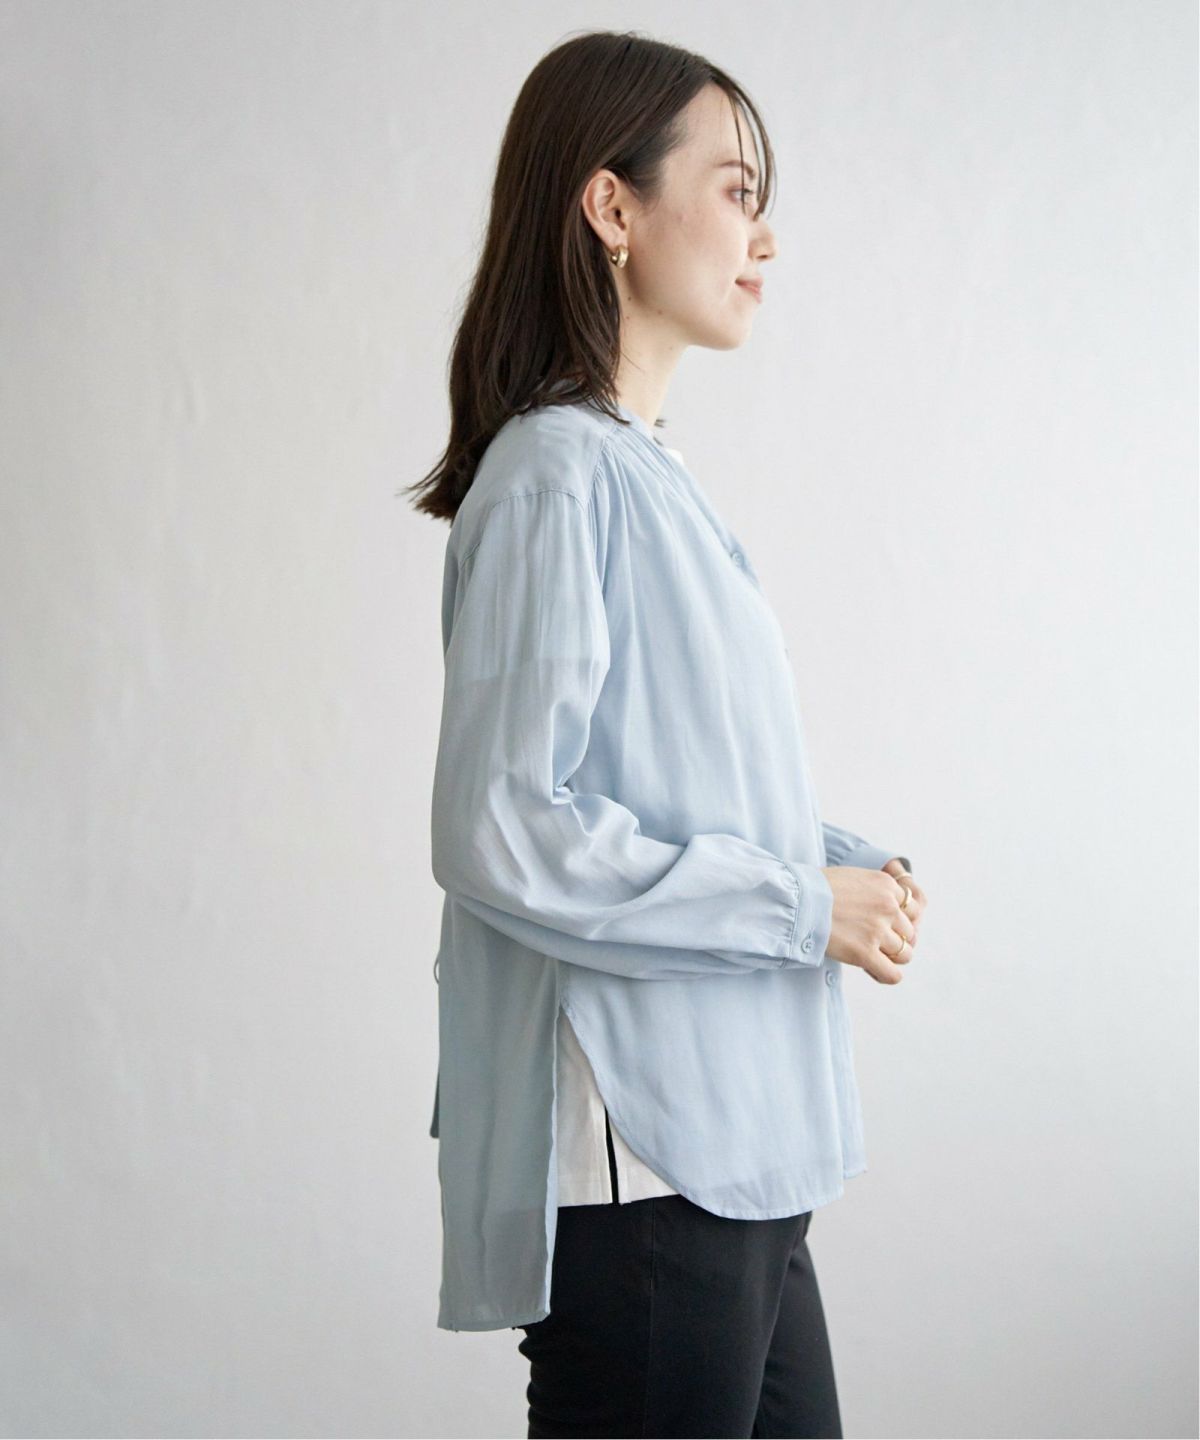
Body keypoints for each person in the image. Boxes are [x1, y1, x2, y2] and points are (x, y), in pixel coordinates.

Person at [404, 28, 928, 1440]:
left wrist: (837, 868)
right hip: (644, 1166)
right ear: (612, 206)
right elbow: (507, 825)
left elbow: (677, 783)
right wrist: (800, 904)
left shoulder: (638, 474)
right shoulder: (554, 476)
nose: (765, 237)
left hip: (732, 1156)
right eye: (736, 191)